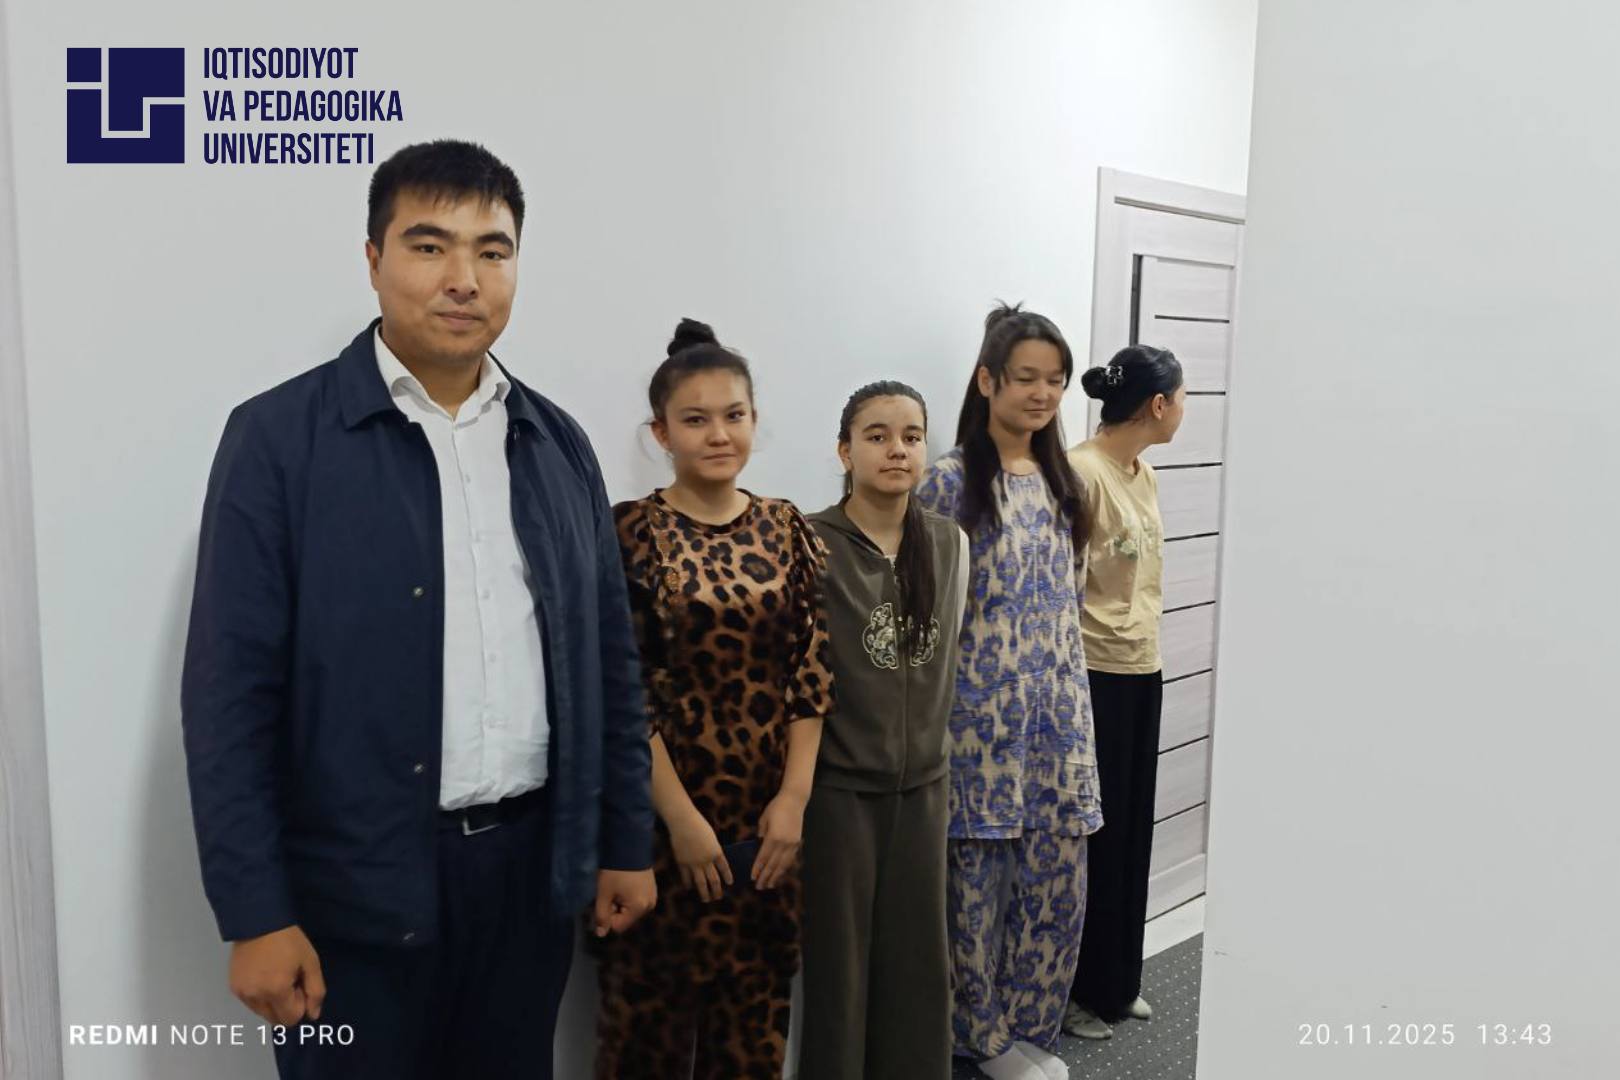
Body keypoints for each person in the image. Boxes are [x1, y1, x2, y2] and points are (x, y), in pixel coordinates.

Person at [180, 140, 657, 1080]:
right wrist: (255, 913)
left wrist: (622, 841)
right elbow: (228, 694)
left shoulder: (554, 441)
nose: (463, 278)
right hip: (349, 896)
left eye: (492, 250)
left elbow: (609, 661)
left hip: (527, 884)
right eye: (430, 246)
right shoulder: (279, 439)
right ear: (373, 259)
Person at [592, 318, 834, 1079]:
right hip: (659, 832)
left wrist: (794, 801)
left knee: (752, 1036)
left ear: (755, 420)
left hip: (769, 830)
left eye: (734, 415)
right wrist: (682, 821)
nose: (719, 434)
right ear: (662, 433)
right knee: (647, 1041)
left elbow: (810, 674)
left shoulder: (787, 528)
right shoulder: (631, 533)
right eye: (696, 420)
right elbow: (624, 693)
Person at [915, 303, 1102, 1080]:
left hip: (1058, 714)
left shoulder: (1066, 480)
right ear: (988, 380)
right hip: (980, 721)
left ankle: (1032, 1024)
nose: (1043, 394)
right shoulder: (949, 481)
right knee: (975, 884)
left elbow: (1072, 596)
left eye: (1055, 381)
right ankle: (981, 1037)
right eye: (1026, 378)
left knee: (1055, 878)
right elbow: (925, 611)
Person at [801, 381, 970, 1079]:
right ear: (845, 451)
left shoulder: (949, 542)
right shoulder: (809, 543)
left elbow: (948, 655)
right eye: (876, 436)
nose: (897, 449)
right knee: (840, 976)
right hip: (839, 795)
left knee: (919, 970)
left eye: (911, 435)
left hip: (925, 790)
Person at [1062, 344, 1186, 1040]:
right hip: (1093, 674)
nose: (1183, 409)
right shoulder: (1082, 473)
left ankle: (1116, 983)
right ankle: (1077, 991)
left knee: (1133, 830)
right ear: (1158, 405)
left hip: (1142, 667)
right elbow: (1063, 586)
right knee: (1095, 840)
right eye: (1181, 398)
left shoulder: (1144, 473)